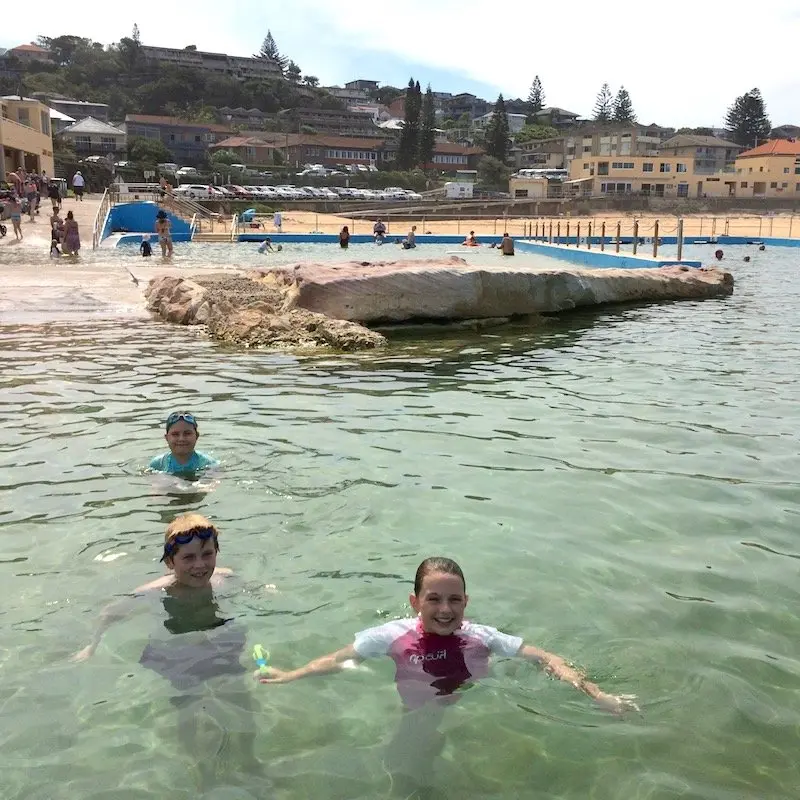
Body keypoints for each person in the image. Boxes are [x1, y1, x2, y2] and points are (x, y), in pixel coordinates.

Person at [258, 557, 637, 788]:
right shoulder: (391, 636)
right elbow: (339, 659)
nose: (444, 609)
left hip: (473, 705)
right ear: (414, 602)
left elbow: (545, 658)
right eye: (433, 598)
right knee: (403, 768)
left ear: (466, 602)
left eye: (454, 599)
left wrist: (597, 694)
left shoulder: (482, 636)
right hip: (417, 714)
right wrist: (291, 675)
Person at [71, 513, 263, 785]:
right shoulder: (157, 591)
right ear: (170, 562)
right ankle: (200, 770)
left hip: (218, 644)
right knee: (188, 711)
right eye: (188, 558)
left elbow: (249, 588)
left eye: (207, 554)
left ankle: (249, 761)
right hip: (179, 653)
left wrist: (266, 591)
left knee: (242, 701)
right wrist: (91, 647)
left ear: (216, 553)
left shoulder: (224, 578)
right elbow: (109, 614)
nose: (200, 565)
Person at [149, 411, 219, 475]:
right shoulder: (157, 464)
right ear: (167, 438)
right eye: (175, 434)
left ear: (196, 436)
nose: (181, 439)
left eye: (187, 433)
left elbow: (209, 486)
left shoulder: (208, 464)